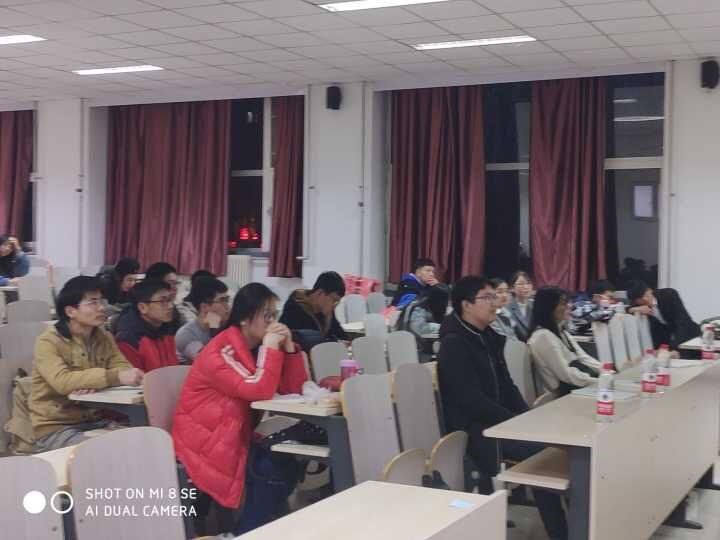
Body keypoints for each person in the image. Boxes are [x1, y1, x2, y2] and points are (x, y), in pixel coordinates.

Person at [437, 276, 568, 540]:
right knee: (544, 457)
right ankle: (562, 533)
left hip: (499, 423)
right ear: (466, 305)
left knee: (556, 445)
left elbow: (507, 387)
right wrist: (513, 424)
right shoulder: (454, 344)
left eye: (494, 297)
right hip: (476, 432)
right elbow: (471, 401)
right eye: (487, 298)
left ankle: (574, 526)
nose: (495, 303)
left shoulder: (488, 337)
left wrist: (527, 419)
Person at [172, 283, 308, 526]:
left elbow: (294, 390)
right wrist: (270, 347)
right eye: (266, 316)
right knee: (269, 469)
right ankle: (242, 532)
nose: (273, 323)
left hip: (232, 434)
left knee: (287, 461)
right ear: (245, 318)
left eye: (274, 315)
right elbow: (259, 389)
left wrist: (288, 349)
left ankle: (253, 527)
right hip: (206, 442)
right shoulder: (220, 352)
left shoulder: (254, 346)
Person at [29, 276, 144, 452]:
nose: (101, 307)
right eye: (92, 302)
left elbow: (123, 367)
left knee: (140, 443)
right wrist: (108, 377)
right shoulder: (48, 341)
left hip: (94, 419)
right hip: (55, 425)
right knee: (106, 452)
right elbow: (62, 382)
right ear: (70, 311)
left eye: (101, 301)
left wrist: (91, 382)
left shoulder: (103, 336)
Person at [528, 287, 601, 395]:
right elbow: (566, 375)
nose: (569, 306)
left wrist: (606, 370)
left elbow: (583, 358)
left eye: (568, 302)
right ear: (549, 308)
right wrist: (598, 382)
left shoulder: (561, 331)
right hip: (566, 394)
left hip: (580, 386)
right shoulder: (542, 336)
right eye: (563, 304)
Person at [115, 279, 179, 372]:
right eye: (162, 301)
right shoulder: (128, 339)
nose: (170, 306)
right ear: (142, 307)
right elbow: (136, 378)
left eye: (170, 300)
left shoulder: (166, 329)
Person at [280, 271, 347, 352]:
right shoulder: (295, 307)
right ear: (320, 293)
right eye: (334, 300)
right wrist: (335, 341)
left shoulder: (326, 310)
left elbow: (340, 335)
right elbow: (307, 341)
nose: (335, 305)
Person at [627, 281, 700, 350]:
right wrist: (634, 309)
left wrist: (673, 347)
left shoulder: (669, 294)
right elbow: (626, 309)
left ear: (650, 290)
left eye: (645, 295)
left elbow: (682, 321)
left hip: (688, 334)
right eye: (640, 299)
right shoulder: (639, 305)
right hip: (666, 339)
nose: (645, 299)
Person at [175, 277, 230, 364]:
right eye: (223, 301)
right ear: (204, 307)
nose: (227, 306)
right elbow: (209, 362)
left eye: (227, 300)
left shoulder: (219, 326)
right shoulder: (187, 334)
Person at [145, 261, 184, 331]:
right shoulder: (136, 313)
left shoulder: (174, 311)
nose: (175, 288)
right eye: (170, 283)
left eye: (176, 283)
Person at [507, 271, 534, 341]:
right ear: (512, 288)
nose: (526, 287)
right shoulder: (507, 309)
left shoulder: (536, 306)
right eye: (521, 284)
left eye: (528, 283)